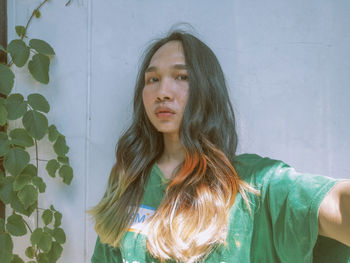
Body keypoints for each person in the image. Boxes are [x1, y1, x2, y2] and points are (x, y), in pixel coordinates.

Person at [89, 30, 350, 263]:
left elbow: (337, 204)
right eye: (152, 79)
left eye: (181, 76)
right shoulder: (128, 181)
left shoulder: (254, 185)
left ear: (207, 90)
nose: (163, 92)